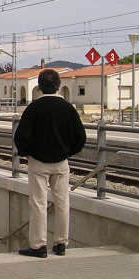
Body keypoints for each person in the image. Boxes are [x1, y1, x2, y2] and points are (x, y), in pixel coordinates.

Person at [13, 69, 86, 258]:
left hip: (38, 163)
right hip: (61, 162)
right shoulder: (68, 108)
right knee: (63, 202)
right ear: (59, 85)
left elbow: (21, 137)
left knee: (38, 203)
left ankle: (38, 246)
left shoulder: (34, 108)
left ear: (39, 86)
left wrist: (27, 154)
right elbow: (80, 137)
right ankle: (61, 243)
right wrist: (67, 152)